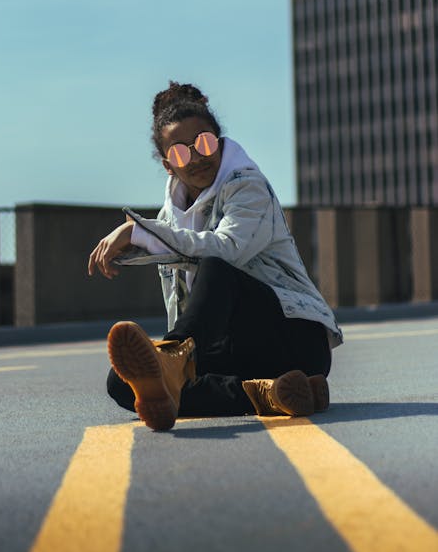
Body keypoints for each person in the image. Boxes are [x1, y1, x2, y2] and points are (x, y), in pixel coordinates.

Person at [88, 81, 343, 432]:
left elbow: (227, 249)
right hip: (239, 353)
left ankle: (174, 363)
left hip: (294, 337)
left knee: (215, 268)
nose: (196, 158)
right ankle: (268, 393)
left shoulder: (247, 187)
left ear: (219, 141)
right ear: (167, 165)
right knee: (122, 385)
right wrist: (143, 236)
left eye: (204, 143)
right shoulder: (169, 220)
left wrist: (137, 232)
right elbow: (186, 305)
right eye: (180, 153)